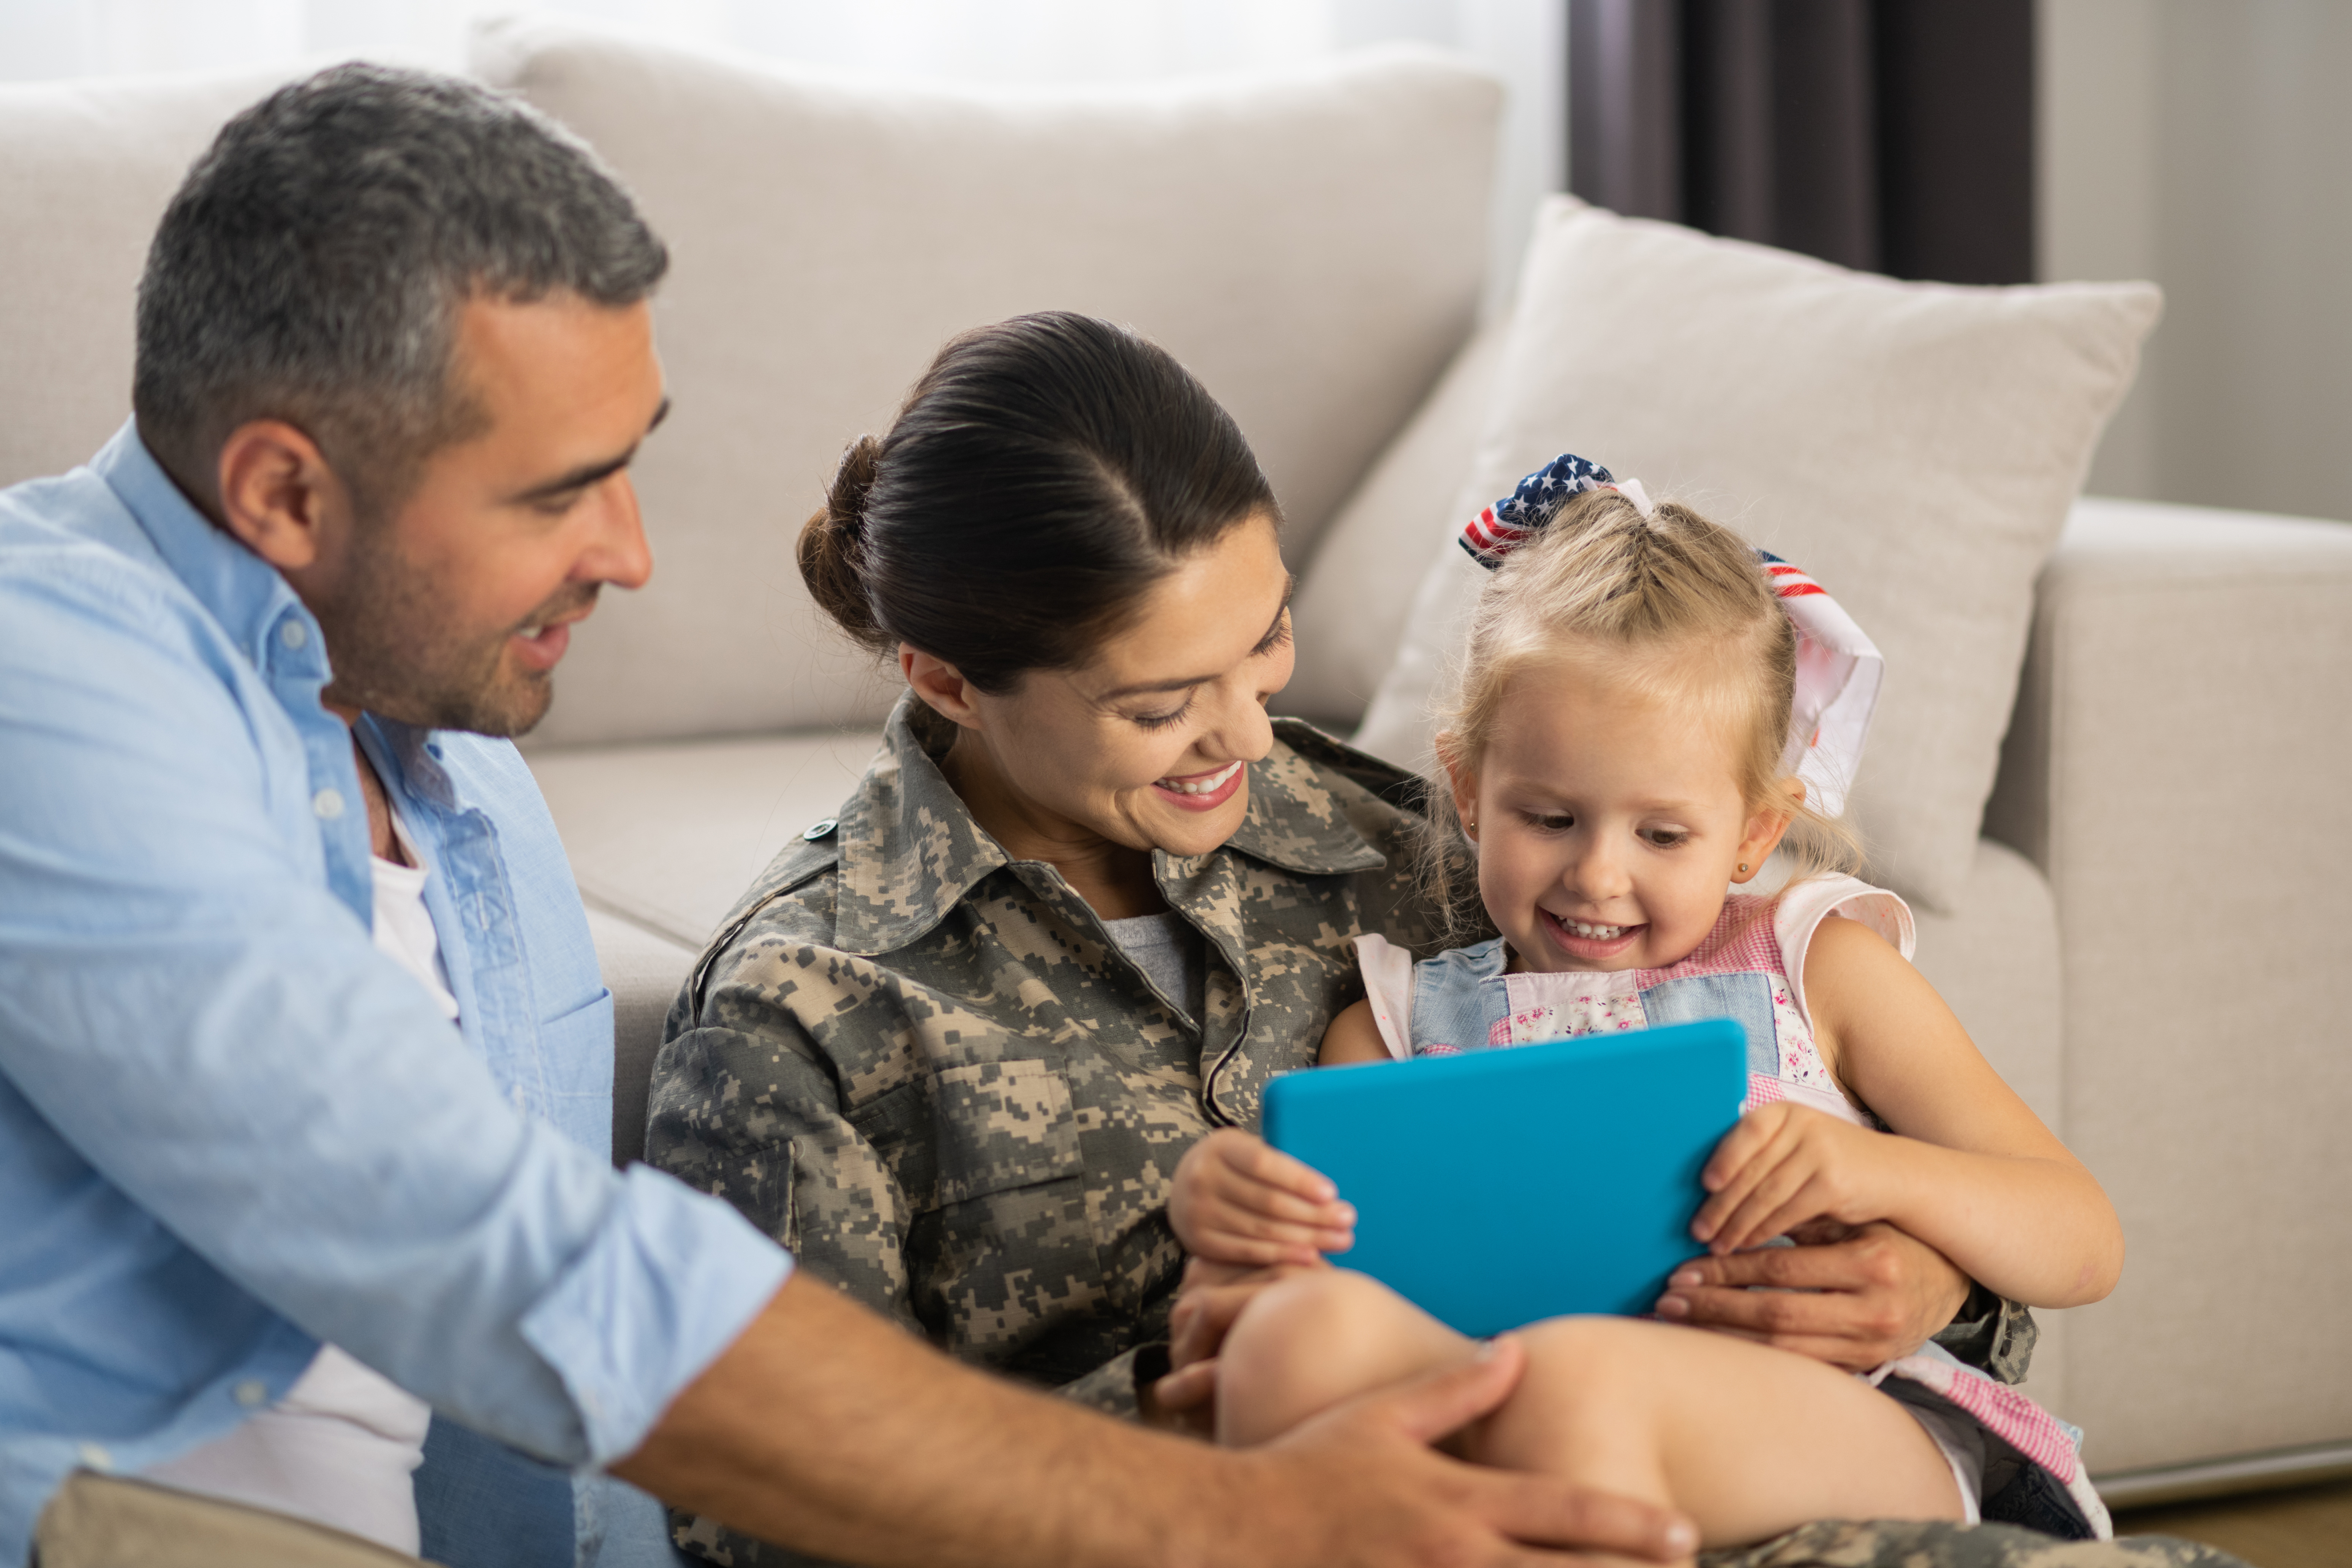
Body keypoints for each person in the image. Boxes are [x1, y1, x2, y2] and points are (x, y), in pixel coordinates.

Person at [0, 67, 1702, 1568]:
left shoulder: (460, 785)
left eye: (627, 461)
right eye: (553, 493)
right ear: (283, 490)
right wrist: (1247, 1517)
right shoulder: (46, 685)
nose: (632, 553)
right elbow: (514, 1269)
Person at [652, 322, 2055, 1568]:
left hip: (1692, 1477)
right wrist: (1175, 1404)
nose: (1256, 738)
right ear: (948, 679)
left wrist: (1930, 1278)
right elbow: (755, 1518)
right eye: (1162, 706)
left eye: (1265, 645)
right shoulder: (807, 1008)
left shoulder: (1405, 838)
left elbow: (1791, 1095)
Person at [1160, 458, 2124, 1555]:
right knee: (1296, 1342)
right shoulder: (1394, 1024)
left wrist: (1879, 1171)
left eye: (1662, 835)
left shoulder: (1822, 967)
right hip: (1509, 1388)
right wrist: (1229, 1222)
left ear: (1757, 832)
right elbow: (1330, 1277)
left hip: (1830, 1421)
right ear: (1470, 790)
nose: (1598, 876)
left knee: (1573, 1381)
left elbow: (2082, 1239)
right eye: (1550, 818)